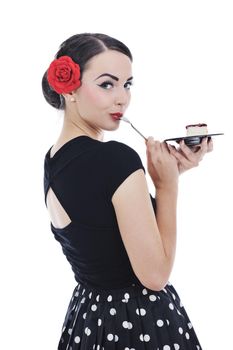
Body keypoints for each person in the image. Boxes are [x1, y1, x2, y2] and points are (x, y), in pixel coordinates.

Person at [42, 33, 212, 350]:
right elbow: (155, 275)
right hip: (138, 322)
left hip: (89, 320)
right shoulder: (116, 160)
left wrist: (173, 172)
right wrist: (166, 186)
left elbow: (104, 231)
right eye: (107, 84)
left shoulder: (54, 160)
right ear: (69, 88)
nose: (122, 98)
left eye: (127, 84)